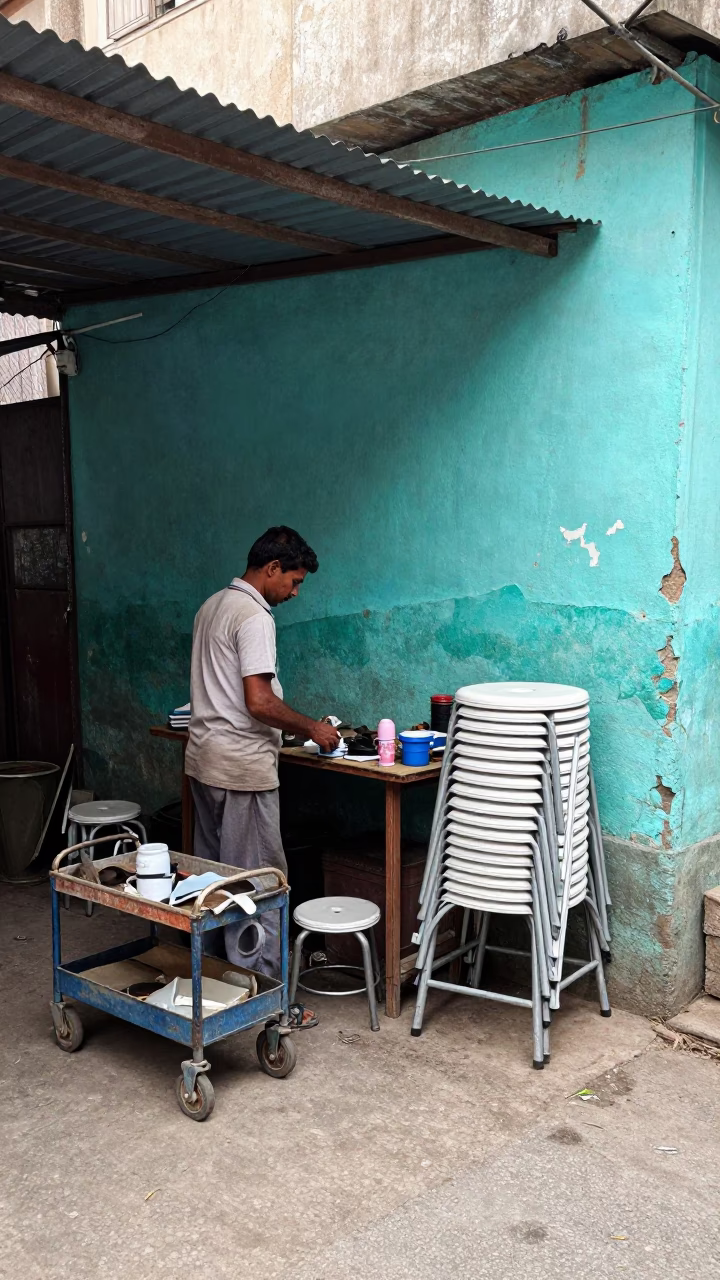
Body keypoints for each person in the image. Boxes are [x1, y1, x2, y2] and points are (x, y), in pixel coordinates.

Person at [184, 527, 339, 1007]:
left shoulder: (211, 605)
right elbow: (258, 700)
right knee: (258, 886)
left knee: (212, 884)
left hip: (204, 761)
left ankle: (211, 989)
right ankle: (265, 1001)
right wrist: (312, 728)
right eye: (293, 582)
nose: (294, 593)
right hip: (242, 771)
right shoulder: (254, 616)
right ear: (271, 569)